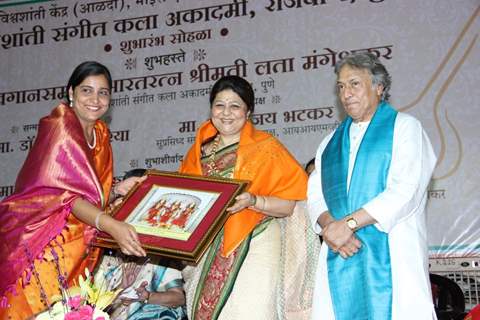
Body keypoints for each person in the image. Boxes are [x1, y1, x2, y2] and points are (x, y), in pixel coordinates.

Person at [0, 61, 146, 320]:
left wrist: (115, 191)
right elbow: (67, 197)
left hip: (80, 246)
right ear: (71, 93)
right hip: (45, 244)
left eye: (103, 92)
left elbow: (90, 193)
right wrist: (111, 225)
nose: (95, 99)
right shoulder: (61, 127)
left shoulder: (100, 133)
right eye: (86, 91)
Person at [307, 52, 437, 320]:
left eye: (354, 84)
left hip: (394, 251)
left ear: (379, 87)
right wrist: (333, 229)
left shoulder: (405, 128)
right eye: (341, 87)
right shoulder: (329, 143)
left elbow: (406, 191)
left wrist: (348, 225)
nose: (346, 93)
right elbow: (315, 195)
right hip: (339, 251)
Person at [179, 75, 309, 320]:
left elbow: (289, 205)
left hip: (255, 242)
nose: (226, 112)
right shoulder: (198, 152)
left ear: (248, 112)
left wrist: (254, 201)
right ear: (211, 108)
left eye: (235, 106)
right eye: (219, 105)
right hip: (206, 251)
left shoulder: (266, 148)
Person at [100, 168, 187, 320]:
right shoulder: (103, 253)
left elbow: (178, 298)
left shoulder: (158, 252)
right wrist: (120, 291)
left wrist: (146, 296)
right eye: (124, 200)